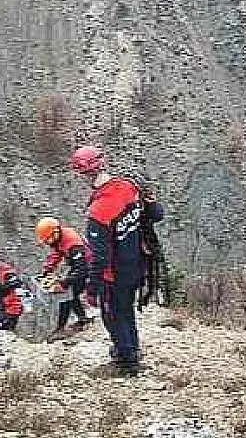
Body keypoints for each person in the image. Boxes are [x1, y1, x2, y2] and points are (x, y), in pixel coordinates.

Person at [68, 146, 164, 374]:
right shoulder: (129, 187)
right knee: (126, 308)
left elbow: (99, 257)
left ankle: (127, 361)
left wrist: (91, 289)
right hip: (139, 263)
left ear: (84, 174)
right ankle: (131, 348)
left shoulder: (99, 211)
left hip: (116, 271)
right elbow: (156, 214)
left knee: (112, 315)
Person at [34, 216, 94, 341]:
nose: (47, 243)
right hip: (79, 266)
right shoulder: (60, 237)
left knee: (66, 295)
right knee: (73, 294)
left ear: (55, 233)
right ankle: (82, 318)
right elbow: (57, 252)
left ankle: (61, 328)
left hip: (88, 267)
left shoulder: (73, 245)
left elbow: (81, 270)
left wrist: (63, 283)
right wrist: (48, 269)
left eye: (47, 240)